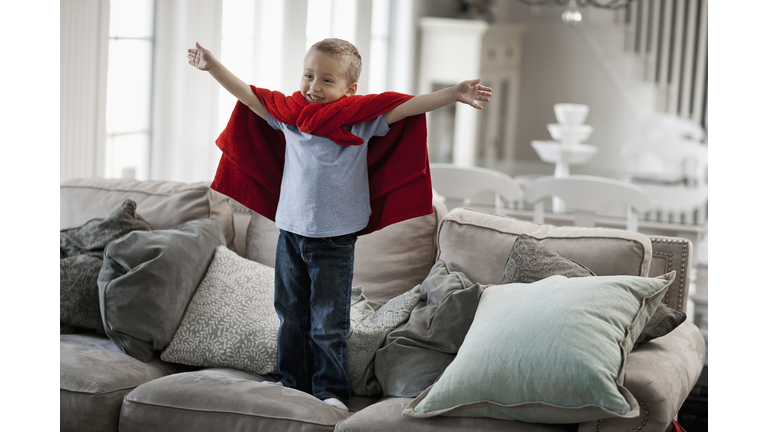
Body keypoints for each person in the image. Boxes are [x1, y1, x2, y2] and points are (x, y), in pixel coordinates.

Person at [188, 38, 491, 411]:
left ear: (350, 90)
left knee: (328, 322)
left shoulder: (362, 120)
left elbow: (408, 106)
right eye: (309, 75)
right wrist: (212, 65)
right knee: (290, 315)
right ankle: (291, 383)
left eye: (326, 80)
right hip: (290, 235)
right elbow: (249, 95)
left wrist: (454, 93)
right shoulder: (290, 116)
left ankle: (330, 391)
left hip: (334, 241)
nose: (313, 87)